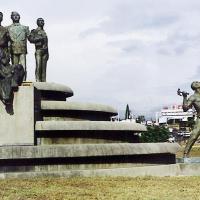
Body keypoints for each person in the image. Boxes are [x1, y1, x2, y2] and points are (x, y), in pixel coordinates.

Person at [7, 11, 30, 80]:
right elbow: (7, 41)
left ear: (19, 17)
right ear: (11, 17)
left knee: (23, 66)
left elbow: (30, 38)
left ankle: (24, 80)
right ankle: (16, 81)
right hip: (13, 50)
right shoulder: (8, 28)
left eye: (17, 15)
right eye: (14, 15)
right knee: (14, 67)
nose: (16, 16)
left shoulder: (25, 28)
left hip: (22, 49)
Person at [180, 81, 200, 157]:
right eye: (197, 82)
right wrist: (184, 97)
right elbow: (185, 108)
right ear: (196, 86)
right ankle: (186, 153)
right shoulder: (193, 97)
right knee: (194, 136)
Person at [28, 18, 49, 82]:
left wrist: (48, 53)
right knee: (38, 66)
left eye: (43, 21)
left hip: (45, 51)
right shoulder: (34, 31)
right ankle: (38, 80)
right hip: (39, 50)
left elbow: (46, 44)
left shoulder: (44, 32)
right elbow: (30, 39)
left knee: (44, 68)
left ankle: (43, 81)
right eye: (40, 21)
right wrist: (39, 38)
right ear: (37, 23)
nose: (42, 22)